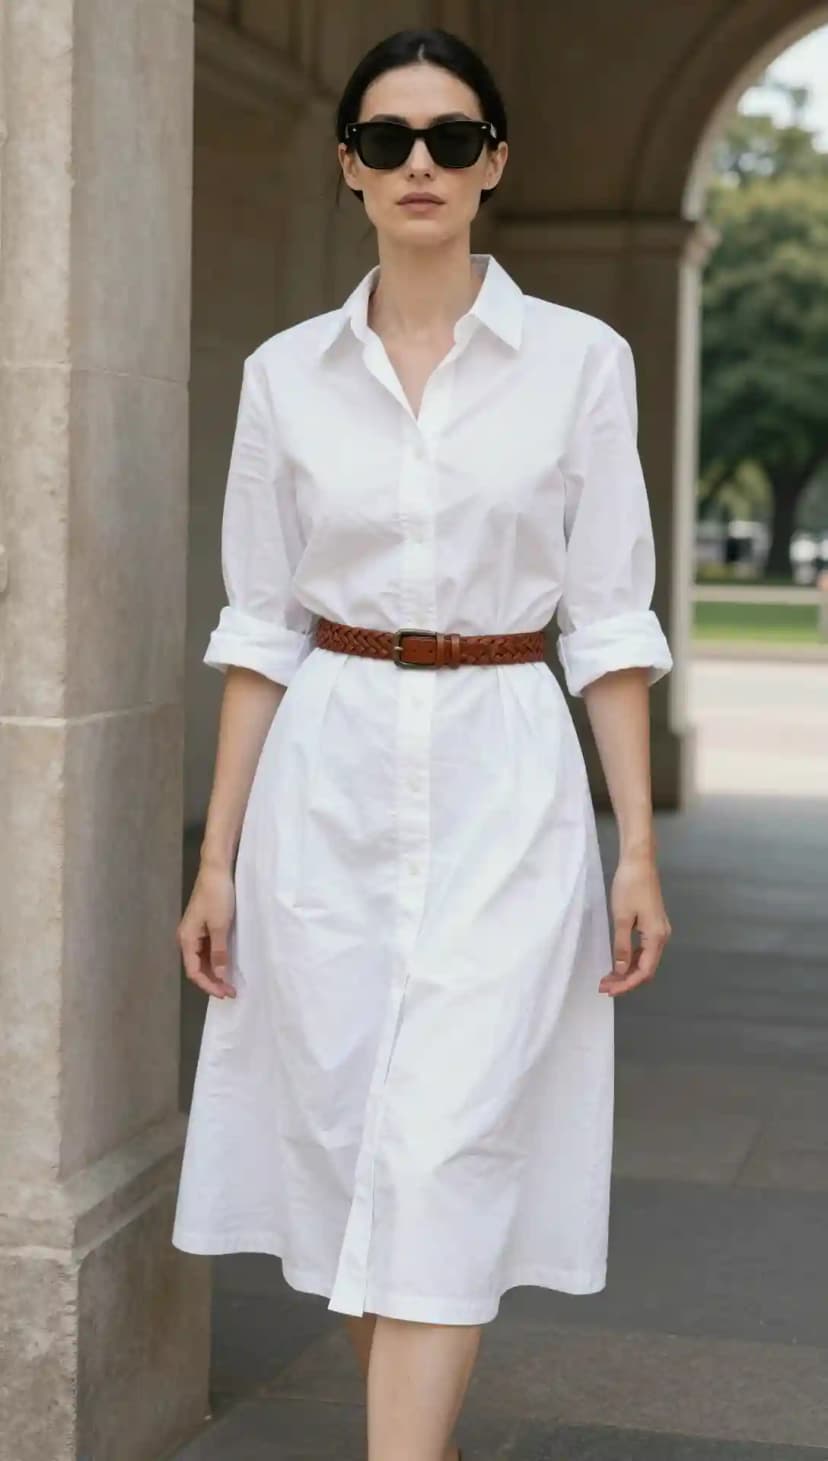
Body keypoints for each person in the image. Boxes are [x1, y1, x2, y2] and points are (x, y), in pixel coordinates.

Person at [172, 24, 674, 1461]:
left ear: (494, 161)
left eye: (453, 138)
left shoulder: (581, 362)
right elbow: (260, 626)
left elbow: (614, 615)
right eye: (388, 139)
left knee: (448, 1140)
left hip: (507, 768)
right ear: (348, 165)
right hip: (324, 780)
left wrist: (632, 844)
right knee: (347, 1144)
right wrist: (218, 859)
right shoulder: (284, 376)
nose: (420, 165)